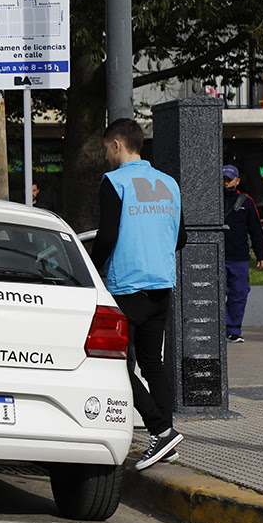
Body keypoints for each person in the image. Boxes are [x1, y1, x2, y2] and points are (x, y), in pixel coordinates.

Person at [90, 118, 187, 471]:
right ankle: (167, 438)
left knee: (115, 364)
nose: (105, 156)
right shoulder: (169, 184)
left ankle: (159, 431)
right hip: (161, 284)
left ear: (117, 145)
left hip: (128, 286)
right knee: (152, 364)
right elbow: (181, 239)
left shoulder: (114, 182)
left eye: (106, 149)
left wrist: (91, 267)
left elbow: (107, 235)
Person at [222, 164, 263, 343]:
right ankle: (219, 328)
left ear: (237, 180)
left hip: (239, 258)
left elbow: (256, 230)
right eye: (224, 179)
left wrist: (262, 255)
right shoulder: (212, 199)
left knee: (239, 294)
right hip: (218, 256)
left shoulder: (247, 202)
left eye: (229, 179)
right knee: (216, 294)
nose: (226, 183)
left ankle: (233, 330)